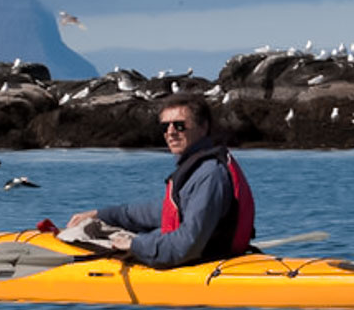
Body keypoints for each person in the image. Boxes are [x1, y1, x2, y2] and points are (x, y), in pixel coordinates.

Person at [66, 95, 255, 268]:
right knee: (93, 228)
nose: (170, 132)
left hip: (204, 260)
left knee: (83, 239)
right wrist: (102, 214)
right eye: (165, 127)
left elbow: (187, 245)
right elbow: (155, 213)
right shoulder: (196, 170)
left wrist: (136, 245)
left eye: (179, 125)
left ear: (203, 127)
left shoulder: (209, 174)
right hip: (200, 252)